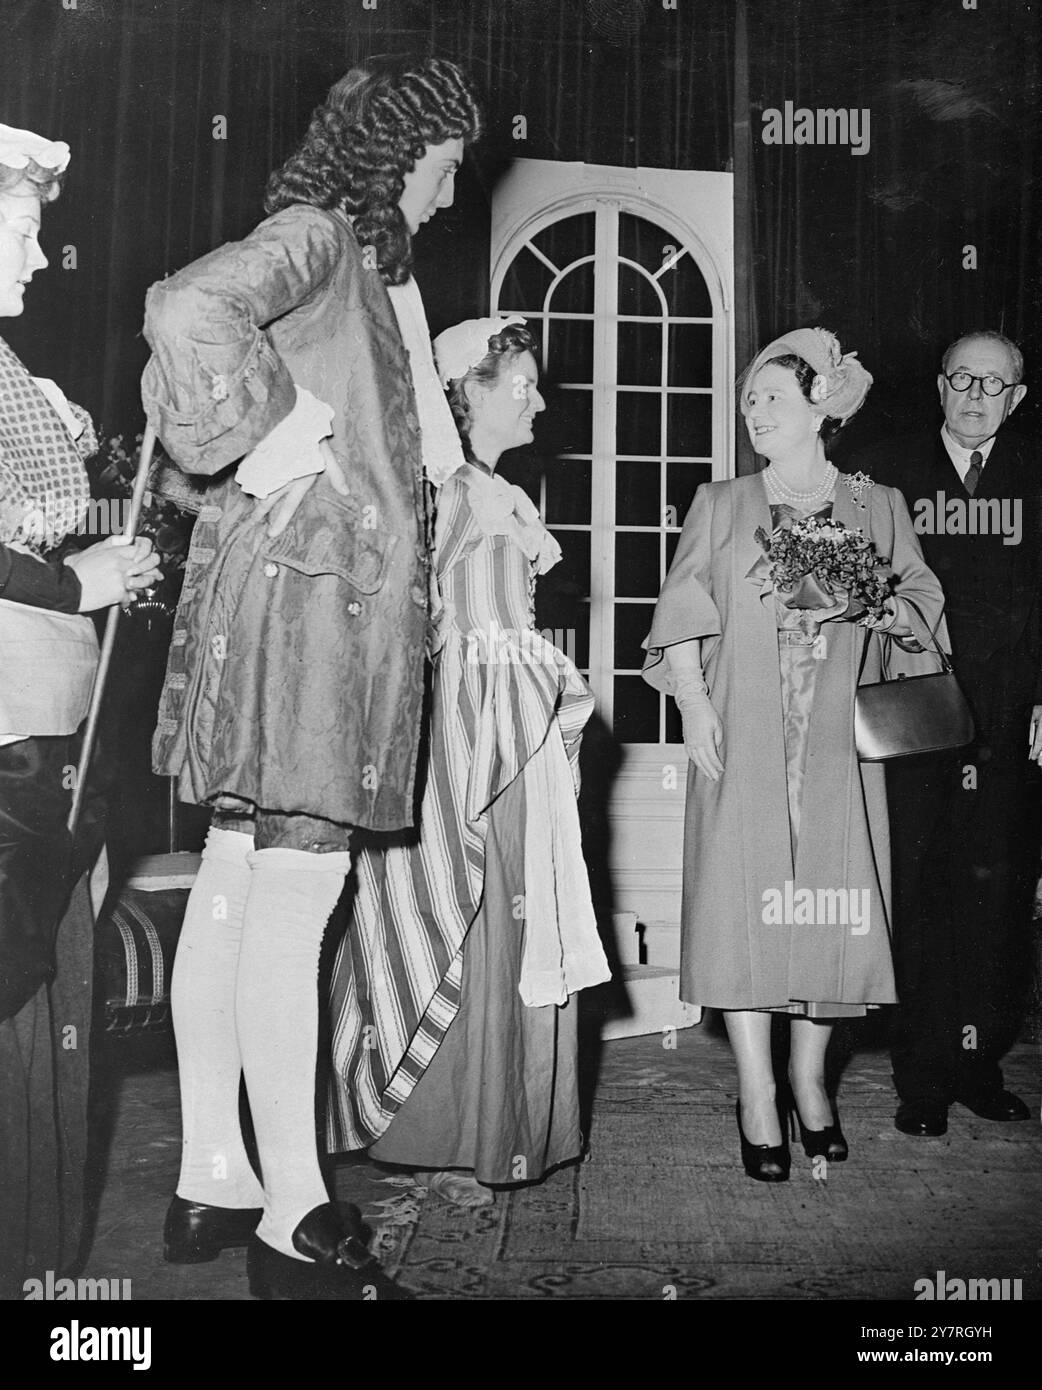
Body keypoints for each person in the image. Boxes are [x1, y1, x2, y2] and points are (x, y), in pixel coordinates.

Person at [142, 57, 482, 1299]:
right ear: (403, 155)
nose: (451, 195)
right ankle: (295, 1205)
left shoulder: (356, 265)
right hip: (310, 622)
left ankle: (213, 1175)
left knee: (238, 879)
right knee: (294, 896)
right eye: (448, 167)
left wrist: (267, 452)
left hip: (277, 606)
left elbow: (185, 387)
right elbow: (184, 313)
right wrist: (283, 443)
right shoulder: (326, 236)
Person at [642, 327, 947, 1181]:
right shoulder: (722, 502)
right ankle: (756, 1092)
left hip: (837, 749)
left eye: (771, 397)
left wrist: (867, 597)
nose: (753, 412)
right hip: (741, 740)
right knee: (743, 907)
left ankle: (811, 1082)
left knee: (832, 911)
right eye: (747, 400)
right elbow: (678, 619)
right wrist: (695, 710)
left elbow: (923, 619)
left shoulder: (877, 505)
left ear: (822, 406)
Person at [327, 318, 610, 1207]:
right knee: (458, 903)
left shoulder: (493, 489)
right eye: (515, 381)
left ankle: (503, 1126)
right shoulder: (446, 490)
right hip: (464, 729)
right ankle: (438, 1130)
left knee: (514, 913)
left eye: (532, 380)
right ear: (465, 394)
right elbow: (409, 615)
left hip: (513, 724)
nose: (534, 395)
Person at [0, 123, 160, 1300]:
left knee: (47, 1003)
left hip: (54, 718)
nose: (38, 248)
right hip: (4, 728)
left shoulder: (16, 376)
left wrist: (116, 556)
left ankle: (38, 1268)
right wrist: (75, 582)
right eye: (21, 223)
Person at [849, 331, 1037, 1137]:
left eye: (991, 384)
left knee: (994, 892)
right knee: (919, 888)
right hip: (918, 708)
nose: (972, 394)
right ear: (937, 385)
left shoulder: (1036, 476)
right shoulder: (886, 469)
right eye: (960, 378)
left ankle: (978, 1064)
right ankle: (921, 1076)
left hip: (1009, 711)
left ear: (1016, 399)